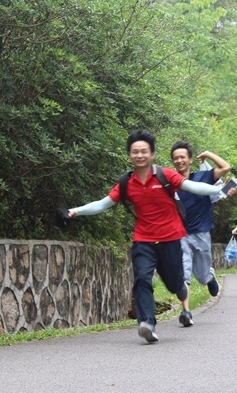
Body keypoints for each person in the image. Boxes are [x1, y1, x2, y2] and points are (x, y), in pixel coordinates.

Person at [67, 130, 222, 343]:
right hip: (144, 240)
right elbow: (103, 204)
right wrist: (76, 211)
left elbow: (191, 186)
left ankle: (180, 287)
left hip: (170, 238)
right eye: (135, 152)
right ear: (129, 155)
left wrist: (216, 190)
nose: (139, 155)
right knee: (142, 278)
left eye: (144, 151)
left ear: (152, 154)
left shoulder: (165, 175)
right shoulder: (126, 183)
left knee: (174, 283)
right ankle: (147, 323)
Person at [170, 141, 234, 327]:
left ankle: (209, 277)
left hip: (201, 232)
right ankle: (186, 312)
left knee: (201, 275)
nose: (179, 160)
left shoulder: (203, 176)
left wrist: (207, 154)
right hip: (180, 234)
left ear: (190, 159)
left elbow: (226, 167)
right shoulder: (170, 182)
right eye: (176, 158)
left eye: (182, 157)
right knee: (184, 273)